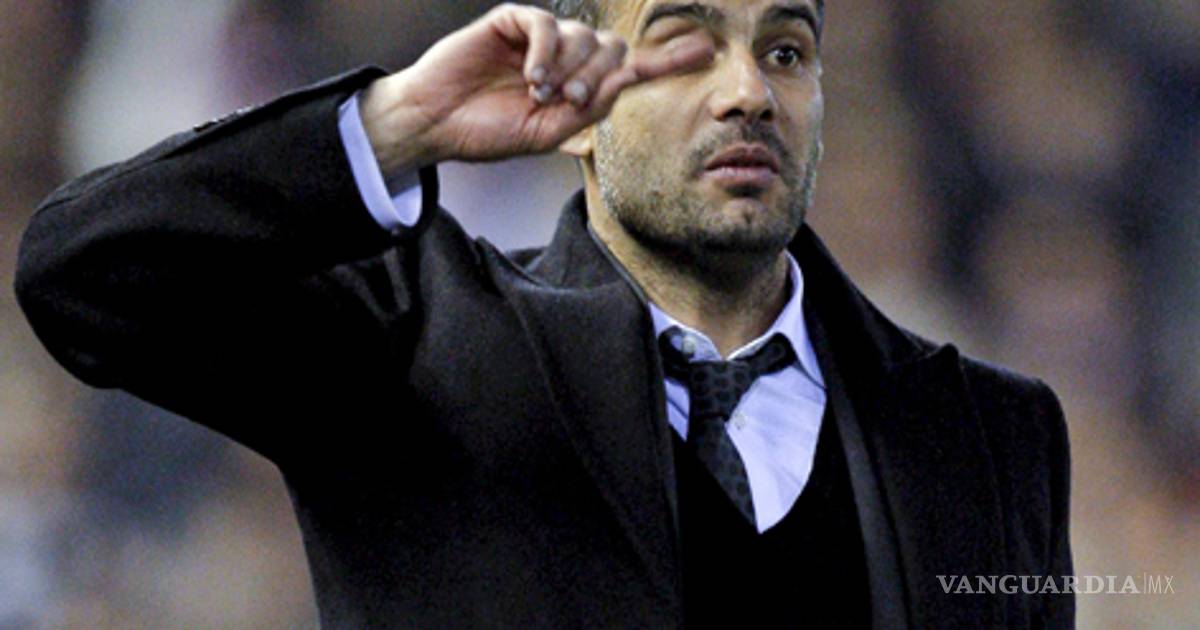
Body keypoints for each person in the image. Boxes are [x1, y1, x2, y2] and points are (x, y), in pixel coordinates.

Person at [15, 1, 1074, 627]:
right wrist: (393, 124)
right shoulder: (415, 344)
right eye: (685, 45)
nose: (749, 92)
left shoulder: (991, 431)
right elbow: (85, 276)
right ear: (572, 109)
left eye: (786, 51)